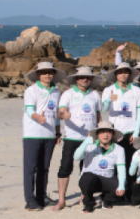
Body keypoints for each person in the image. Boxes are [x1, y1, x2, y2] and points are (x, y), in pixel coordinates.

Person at [53, 66, 103, 211]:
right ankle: (61, 200)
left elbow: (98, 116)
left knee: (87, 169)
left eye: (87, 77)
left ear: (91, 79)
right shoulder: (68, 94)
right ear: (76, 78)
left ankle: (84, 197)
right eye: (81, 77)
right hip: (72, 137)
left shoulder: (95, 94)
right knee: (65, 168)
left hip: (90, 138)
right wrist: (63, 115)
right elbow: (59, 113)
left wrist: (99, 134)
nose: (84, 79)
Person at [22, 62, 64, 211]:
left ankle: (41, 196)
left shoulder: (56, 91)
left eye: (50, 72)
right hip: (32, 134)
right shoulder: (31, 90)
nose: (47, 75)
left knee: (44, 168)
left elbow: (57, 115)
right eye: (44, 72)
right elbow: (29, 110)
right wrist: (37, 117)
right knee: (30, 169)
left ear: (53, 74)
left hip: (50, 135)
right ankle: (30, 200)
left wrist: (57, 132)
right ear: (38, 74)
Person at [102, 61, 140, 197]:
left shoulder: (136, 90)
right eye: (120, 72)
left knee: (132, 163)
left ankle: (130, 192)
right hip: (115, 132)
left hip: (132, 131)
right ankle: (117, 192)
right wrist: (109, 100)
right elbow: (105, 109)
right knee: (116, 163)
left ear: (130, 74)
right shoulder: (108, 90)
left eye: (126, 72)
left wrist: (137, 132)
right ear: (116, 75)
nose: (123, 74)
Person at [74, 122, 127, 213]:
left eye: (108, 132)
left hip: (107, 180)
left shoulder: (119, 149)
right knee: (86, 177)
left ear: (113, 134)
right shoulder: (90, 146)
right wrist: (85, 143)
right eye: (102, 132)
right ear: (97, 134)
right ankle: (89, 204)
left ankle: (106, 199)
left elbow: (121, 169)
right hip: (91, 180)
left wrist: (121, 186)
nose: (105, 135)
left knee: (124, 183)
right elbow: (76, 157)